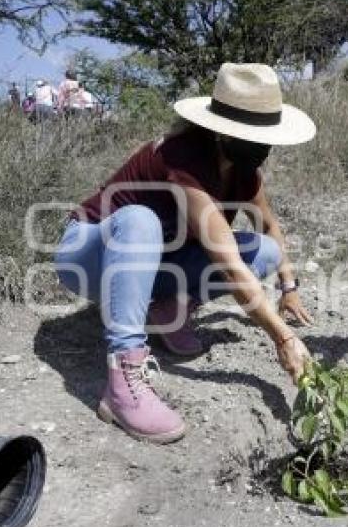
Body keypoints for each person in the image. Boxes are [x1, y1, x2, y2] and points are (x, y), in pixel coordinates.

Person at [54, 63, 316, 443]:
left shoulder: (244, 173)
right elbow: (227, 266)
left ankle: (167, 307)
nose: (260, 144)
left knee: (264, 252)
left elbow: (269, 228)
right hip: (88, 256)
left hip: (151, 264)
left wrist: (289, 286)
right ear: (219, 130)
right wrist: (284, 338)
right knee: (141, 221)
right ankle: (123, 378)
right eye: (251, 133)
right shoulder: (183, 159)